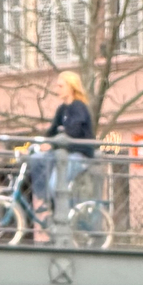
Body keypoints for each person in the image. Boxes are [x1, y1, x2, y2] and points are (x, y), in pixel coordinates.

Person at [35, 70, 97, 232]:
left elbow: (73, 131)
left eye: (61, 85)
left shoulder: (78, 107)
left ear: (71, 87)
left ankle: (67, 217)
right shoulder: (62, 109)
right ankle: (48, 201)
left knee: (56, 184)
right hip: (63, 154)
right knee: (36, 159)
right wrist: (43, 142)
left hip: (79, 154)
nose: (58, 88)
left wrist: (53, 145)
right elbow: (52, 130)